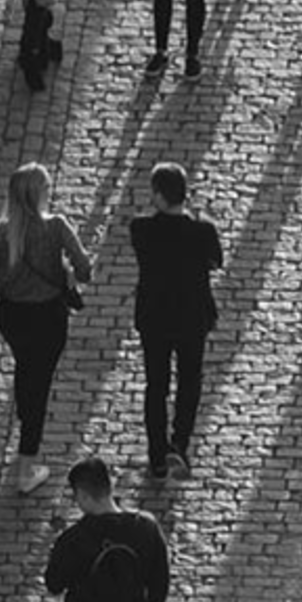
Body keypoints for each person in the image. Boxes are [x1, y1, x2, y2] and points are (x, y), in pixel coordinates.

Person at [0, 162, 93, 494]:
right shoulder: (56, 227)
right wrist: (67, 273)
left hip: (12, 316)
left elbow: (1, 276)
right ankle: (26, 464)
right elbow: (85, 270)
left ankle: (24, 419)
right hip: (47, 317)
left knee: (25, 368)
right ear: (38, 194)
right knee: (40, 383)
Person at [130, 162, 222, 481]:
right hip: (191, 316)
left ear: (158, 195)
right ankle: (179, 444)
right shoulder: (202, 230)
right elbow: (215, 261)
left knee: (156, 385)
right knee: (189, 380)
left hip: (155, 317)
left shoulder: (140, 229)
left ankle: (156, 455)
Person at [45, 456, 170, 602]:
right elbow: (160, 574)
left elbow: (54, 583)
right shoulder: (146, 527)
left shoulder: (72, 540)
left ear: (84, 495)